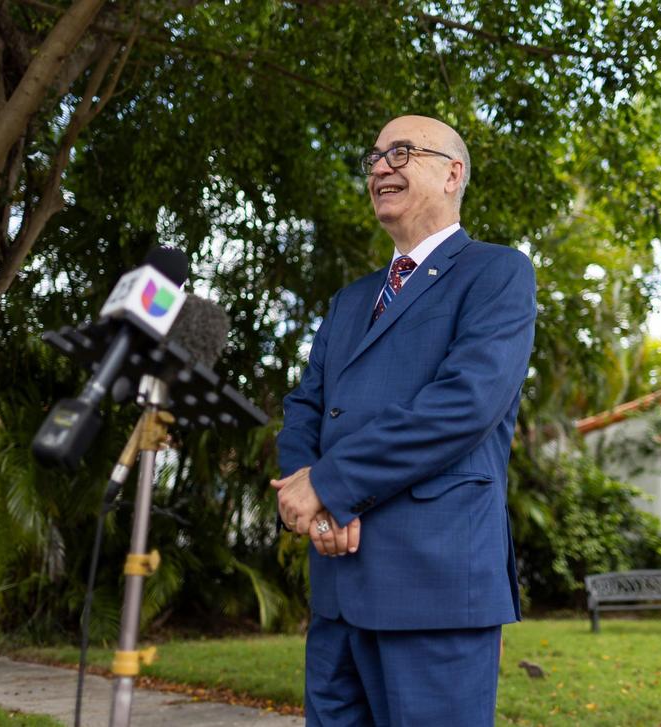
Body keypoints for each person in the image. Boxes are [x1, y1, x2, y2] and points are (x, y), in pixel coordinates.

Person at [271, 114, 537, 726]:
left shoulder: (497, 274)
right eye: (375, 157)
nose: (381, 167)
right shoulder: (351, 299)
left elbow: (462, 406)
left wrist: (331, 487)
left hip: (432, 587)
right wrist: (309, 492)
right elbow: (306, 406)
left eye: (402, 152)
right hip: (338, 586)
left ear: (452, 174)